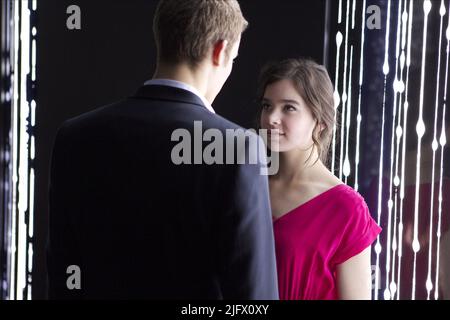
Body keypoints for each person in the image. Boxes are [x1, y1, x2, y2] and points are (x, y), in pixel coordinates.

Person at [47, 0, 279, 299]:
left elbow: (62, 281)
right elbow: (254, 300)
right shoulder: (238, 148)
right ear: (220, 51)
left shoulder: (74, 137)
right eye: (233, 59)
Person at [257, 58, 382, 300]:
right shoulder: (249, 184)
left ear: (321, 121)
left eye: (289, 107)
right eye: (266, 105)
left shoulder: (346, 209)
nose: (272, 117)